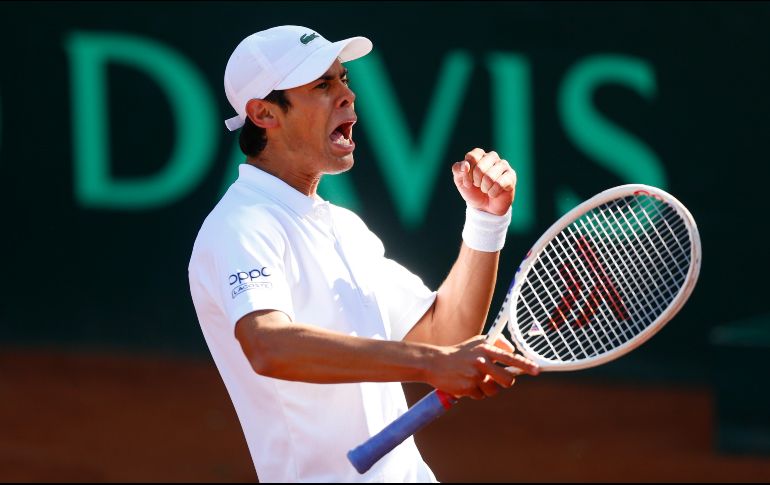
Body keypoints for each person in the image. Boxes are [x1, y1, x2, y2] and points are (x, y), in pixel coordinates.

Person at [188, 25, 539, 483]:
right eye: (322, 85)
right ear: (264, 113)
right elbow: (268, 345)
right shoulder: (242, 224)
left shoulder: (343, 227)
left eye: (343, 79)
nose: (347, 96)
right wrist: (432, 364)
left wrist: (486, 221)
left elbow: (444, 334)